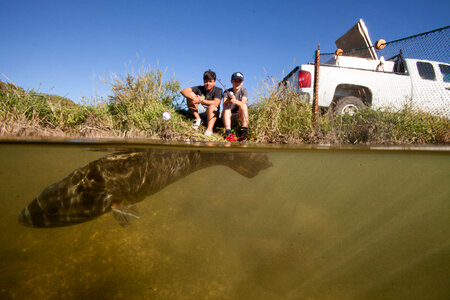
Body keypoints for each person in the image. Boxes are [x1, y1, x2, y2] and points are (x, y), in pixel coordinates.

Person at [180, 70, 222, 136]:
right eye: (206, 81)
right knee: (190, 95)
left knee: (212, 106)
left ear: (214, 82)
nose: (208, 83)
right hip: (201, 111)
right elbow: (183, 91)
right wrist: (194, 98)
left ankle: (209, 130)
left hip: (213, 113)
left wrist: (201, 101)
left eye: (210, 81)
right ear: (203, 81)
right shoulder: (199, 88)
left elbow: (216, 103)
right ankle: (198, 120)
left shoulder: (218, 90)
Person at [222, 72, 249, 142]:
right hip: (228, 116)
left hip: (239, 116)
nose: (237, 83)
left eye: (239, 81)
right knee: (227, 107)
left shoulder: (244, 91)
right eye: (235, 81)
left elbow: (243, 103)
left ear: (242, 82)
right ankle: (228, 133)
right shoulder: (226, 92)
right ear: (231, 81)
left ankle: (244, 132)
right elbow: (224, 104)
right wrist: (229, 100)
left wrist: (235, 101)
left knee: (244, 106)